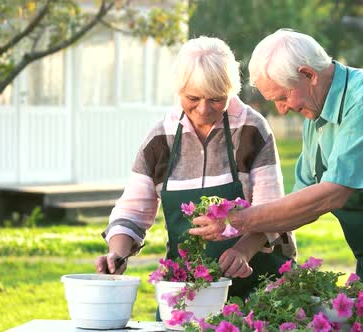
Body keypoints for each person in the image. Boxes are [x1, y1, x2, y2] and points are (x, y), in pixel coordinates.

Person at [191, 29, 363, 279]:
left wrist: (237, 219)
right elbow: (298, 204)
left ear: (308, 75)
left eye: (282, 97)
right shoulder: (314, 116)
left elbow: (332, 195)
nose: (282, 109)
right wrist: (244, 248)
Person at [94, 36, 296, 299]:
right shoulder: (160, 138)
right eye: (193, 98)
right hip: (188, 288)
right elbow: (133, 210)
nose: (203, 109)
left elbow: (272, 209)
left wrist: (242, 251)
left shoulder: (251, 129)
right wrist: (117, 254)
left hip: (259, 281)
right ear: (179, 90)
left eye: (215, 99)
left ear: (229, 91)